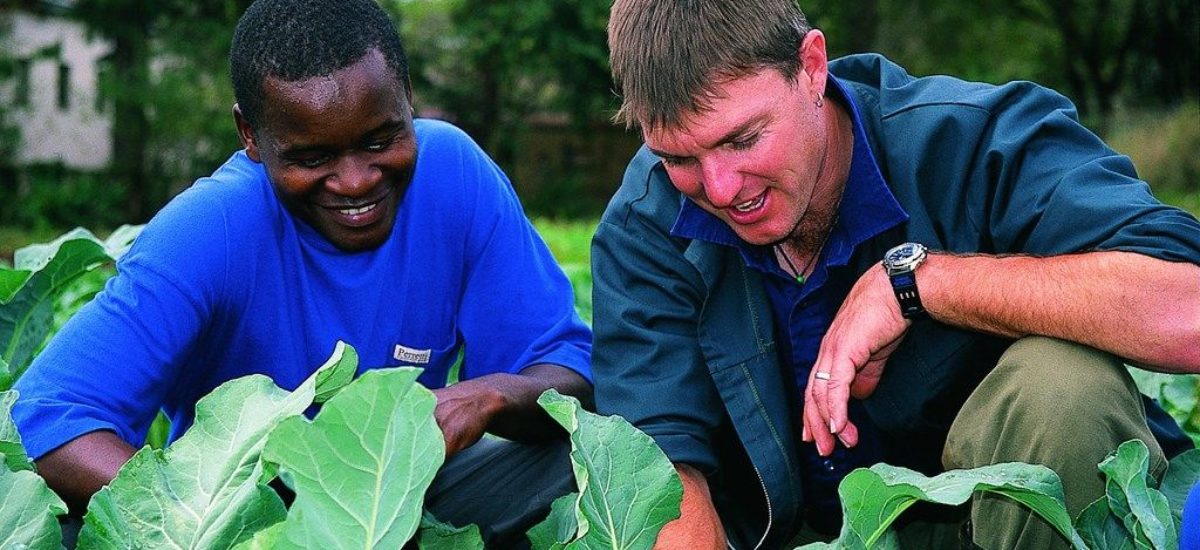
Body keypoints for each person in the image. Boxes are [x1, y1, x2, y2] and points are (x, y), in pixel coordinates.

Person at [592, 1, 1200, 548]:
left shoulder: (974, 141)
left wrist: (920, 284)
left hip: (988, 526)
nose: (721, 189)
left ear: (811, 68)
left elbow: (1188, 309)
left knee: (1063, 387)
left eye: (744, 139)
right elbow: (661, 478)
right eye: (678, 158)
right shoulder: (644, 226)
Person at [13, 0, 592, 545]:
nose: (357, 181)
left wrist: (488, 395)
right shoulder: (210, 227)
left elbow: (568, 370)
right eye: (312, 158)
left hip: (403, 502)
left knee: (594, 456)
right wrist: (217, 522)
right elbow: (52, 421)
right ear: (251, 136)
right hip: (243, 518)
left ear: (408, 97)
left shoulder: (455, 175)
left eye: (381, 139)